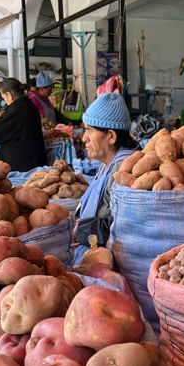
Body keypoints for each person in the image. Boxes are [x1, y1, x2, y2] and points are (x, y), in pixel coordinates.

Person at [73, 92, 137, 265]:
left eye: (89, 130)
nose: (84, 137)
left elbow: (120, 227)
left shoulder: (122, 168)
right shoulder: (107, 163)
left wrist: (81, 230)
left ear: (111, 136)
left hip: (110, 261)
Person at [0, 78, 47, 172]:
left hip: (21, 164)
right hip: (34, 160)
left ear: (9, 95)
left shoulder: (16, 109)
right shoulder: (30, 105)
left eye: (4, 97)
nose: (5, 100)